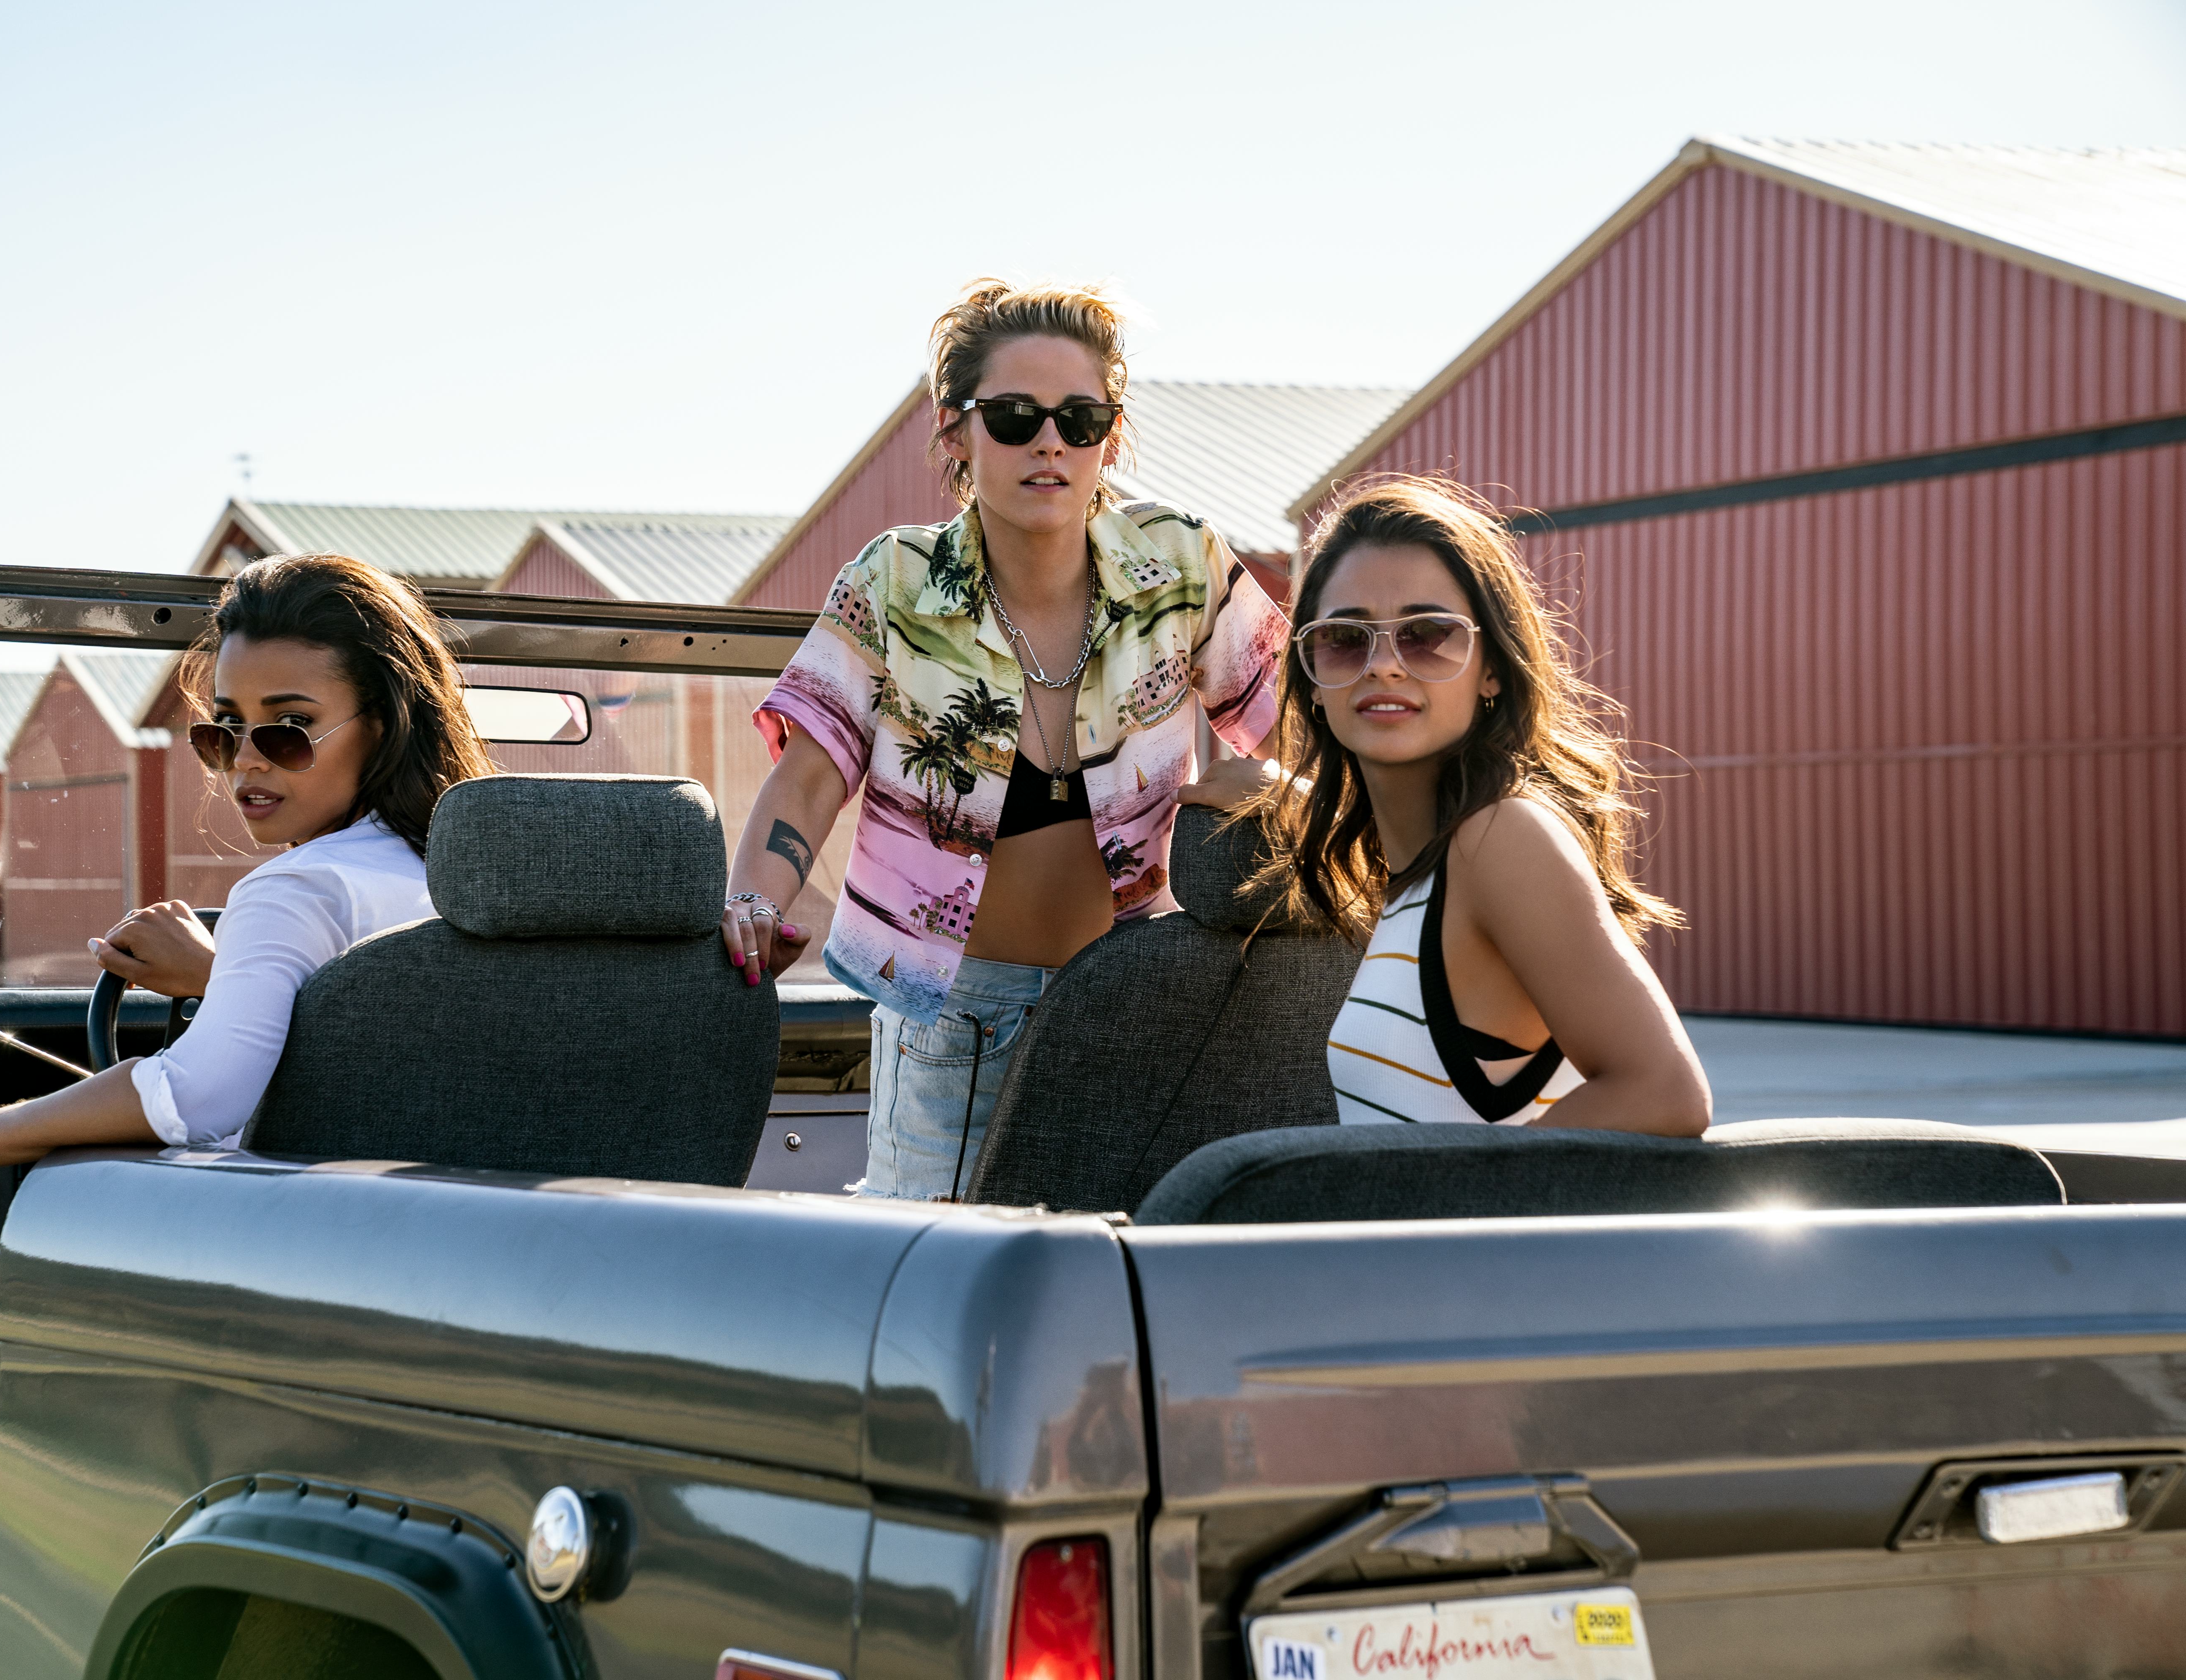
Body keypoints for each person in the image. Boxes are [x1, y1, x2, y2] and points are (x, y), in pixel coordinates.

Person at [0, 551, 492, 1638]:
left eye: (288, 729)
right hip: (443, 1294)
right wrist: (224, 974)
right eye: (223, 732)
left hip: (301, 1308)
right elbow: (393, 1039)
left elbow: (196, 1095)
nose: (244, 765)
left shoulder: (297, 885)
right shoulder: (462, 879)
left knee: (74, 1254)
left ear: (386, 725)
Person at [730, 278, 1290, 1198]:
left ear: (1111, 432)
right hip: (952, 1015)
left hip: (1134, 1003)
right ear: (957, 431)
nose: (1049, 444)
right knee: (931, 1278)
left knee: (1112, 1280)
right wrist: (755, 901)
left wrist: (1259, 791)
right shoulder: (897, 582)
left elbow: (1301, 726)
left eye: (1080, 417)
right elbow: (811, 774)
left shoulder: (1179, 566)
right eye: (1016, 416)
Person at [1189, 475, 1710, 1132]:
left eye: (1427, 635)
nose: (1383, 664)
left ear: (1491, 667)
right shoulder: (1418, 857)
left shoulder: (1501, 837)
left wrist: (1444, 1217)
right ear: (1313, 681)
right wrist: (1287, 795)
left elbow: (1663, 1091)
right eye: (1346, 639)